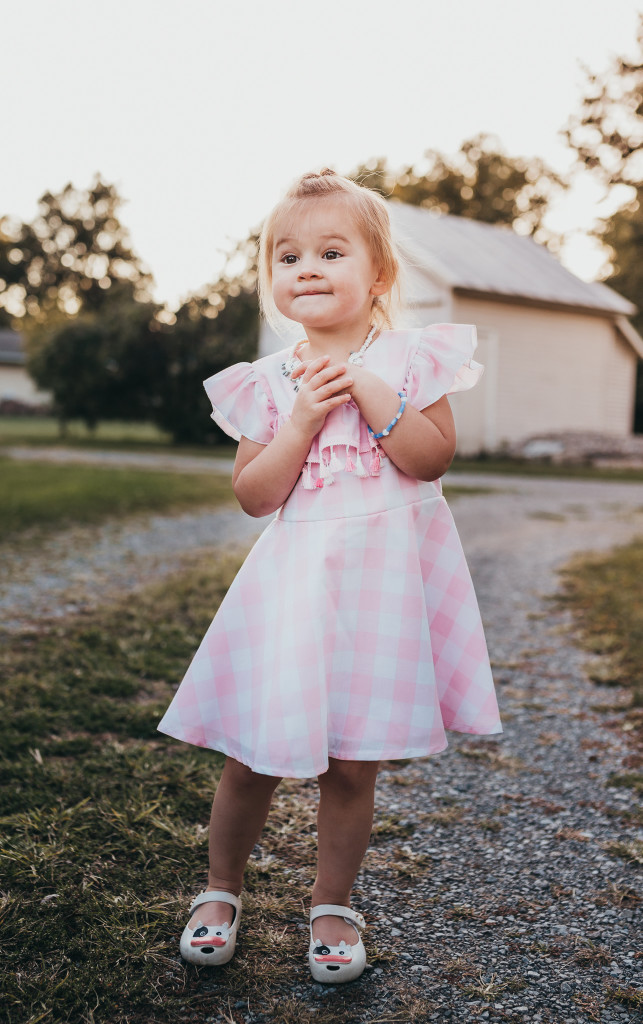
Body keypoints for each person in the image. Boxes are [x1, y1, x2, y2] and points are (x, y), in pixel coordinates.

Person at [158, 168, 502, 983]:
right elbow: (254, 495)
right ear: (272, 279)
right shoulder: (267, 383)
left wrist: (376, 397)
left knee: (352, 763)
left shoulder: (417, 360)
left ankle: (332, 904)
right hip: (295, 594)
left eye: (330, 251)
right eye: (286, 256)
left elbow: (430, 460)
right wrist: (305, 418)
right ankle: (220, 890)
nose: (305, 267)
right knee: (253, 756)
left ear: (377, 276)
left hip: (382, 594)